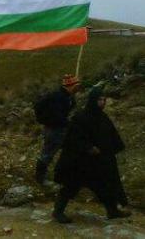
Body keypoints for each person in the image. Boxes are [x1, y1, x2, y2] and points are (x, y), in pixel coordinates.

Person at [52, 86, 131, 223]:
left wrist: (112, 149)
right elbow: (72, 139)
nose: (103, 102)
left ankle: (112, 211)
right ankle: (57, 212)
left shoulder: (103, 117)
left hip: (98, 162)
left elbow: (110, 135)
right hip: (80, 162)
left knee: (105, 185)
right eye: (100, 99)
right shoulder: (80, 117)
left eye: (104, 99)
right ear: (93, 100)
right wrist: (88, 147)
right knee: (70, 186)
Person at [33, 74, 81, 185]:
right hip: (54, 130)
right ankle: (40, 178)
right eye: (76, 86)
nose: (78, 88)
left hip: (61, 128)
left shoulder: (68, 97)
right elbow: (57, 116)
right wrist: (67, 123)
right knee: (48, 153)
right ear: (70, 85)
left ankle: (65, 175)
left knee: (69, 151)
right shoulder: (57, 97)